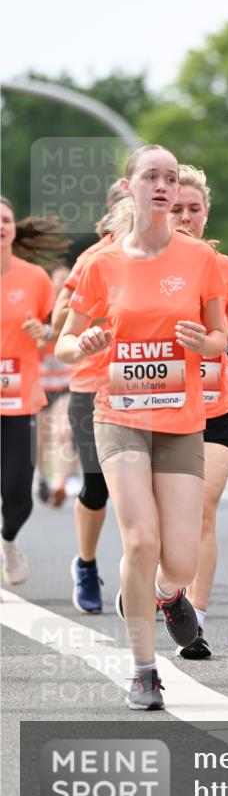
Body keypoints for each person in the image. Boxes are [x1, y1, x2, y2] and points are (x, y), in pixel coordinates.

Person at [56, 145, 227, 710]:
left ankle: (166, 593)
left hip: (180, 419)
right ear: (129, 186)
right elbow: (63, 341)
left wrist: (207, 345)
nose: (162, 186)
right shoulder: (100, 263)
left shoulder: (199, 260)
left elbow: (222, 337)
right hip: (119, 414)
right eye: (151, 176)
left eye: (170, 179)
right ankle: (143, 668)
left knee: (178, 556)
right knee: (139, 538)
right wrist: (82, 343)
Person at [168, 165, 228, 658]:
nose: (184, 217)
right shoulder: (144, 265)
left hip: (214, 406)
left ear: (207, 213)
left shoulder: (225, 269)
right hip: (161, 410)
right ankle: (159, 584)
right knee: (163, 519)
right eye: (176, 208)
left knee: (203, 509)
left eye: (193, 209)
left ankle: (195, 618)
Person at [51, 187, 131, 614]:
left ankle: (142, 576)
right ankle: (85, 564)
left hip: (146, 387)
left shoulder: (169, 255)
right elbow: (58, 320)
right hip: (93, 384)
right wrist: (84, 326)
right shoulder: (93, 259)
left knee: (151, 487)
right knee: (97, 484)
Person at [1, 202, 63, 583]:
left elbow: (53, 330)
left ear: (14, 229)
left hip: (18, 398)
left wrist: (46, 333)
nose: (0, 227)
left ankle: (8, 540)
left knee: (18, 491)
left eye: (5, 220)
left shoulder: (35, 278)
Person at [37, 264, 78, 507]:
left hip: (65, 382)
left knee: (63, 432)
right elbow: (34, 343)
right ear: (50, 283)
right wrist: (50, 333)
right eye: (60, 280)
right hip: (39, 385)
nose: (65, 285)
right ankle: (43, 477)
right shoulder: (39, 309)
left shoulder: (75, 309)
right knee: (42, 442)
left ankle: (60, 483)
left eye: (68, 280)